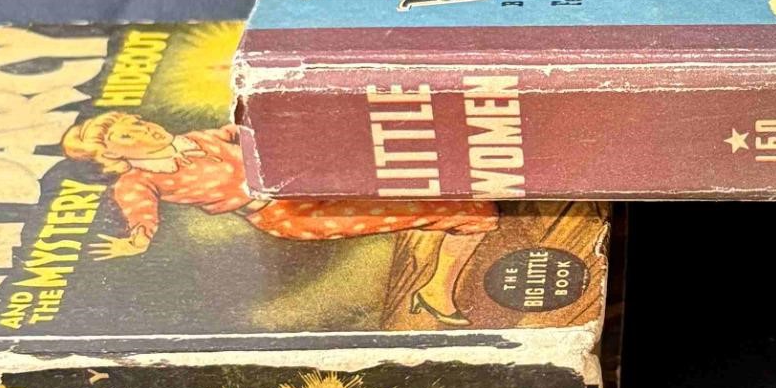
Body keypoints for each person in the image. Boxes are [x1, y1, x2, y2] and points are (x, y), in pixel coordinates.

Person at [59, 112, 495, 326]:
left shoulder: (196, 139)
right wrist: (136, 240)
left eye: (136, 121)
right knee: (448, 210)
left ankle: (434, 289)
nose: (144, 129)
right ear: (112, 155)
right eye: (127, 134)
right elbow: (140, 212)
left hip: (305, 180)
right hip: (287, 212)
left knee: (424, 186)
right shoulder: (137, 181)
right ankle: (436, 289)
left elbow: (242, 130)